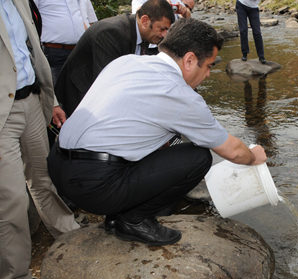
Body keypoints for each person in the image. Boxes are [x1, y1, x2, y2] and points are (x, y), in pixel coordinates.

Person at [47, 18, 268, 247]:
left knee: (165, 143)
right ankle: (134, 220)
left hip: (57, 164)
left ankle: (116, 216)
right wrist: (254, 157)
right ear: (190, 60)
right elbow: (232, 151)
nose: (209, 74)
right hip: (94, 186)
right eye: (209, 66)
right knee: (198, 157)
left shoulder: (127, 62)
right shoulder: (180, 94)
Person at [1, 0, 80, 279]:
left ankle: (67, 232)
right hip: (2, 114)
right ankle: (15, 278)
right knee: (11, 198)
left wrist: (52, 100)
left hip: (32, 100)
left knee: (43, 177)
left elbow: (31, 51)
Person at [54, 0, 175, 119]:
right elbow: (108, 83)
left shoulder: (144, 33)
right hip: (79, 96)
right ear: (144, 21)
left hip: (99, 95)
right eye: (162, 29)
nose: (164, 35)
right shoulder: (112, 33)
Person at [35, 0, 86, 85]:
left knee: (81, 91)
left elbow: (79, 15)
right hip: (55, 51)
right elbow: (30, 17)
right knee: (57, 90)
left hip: (78, 50)